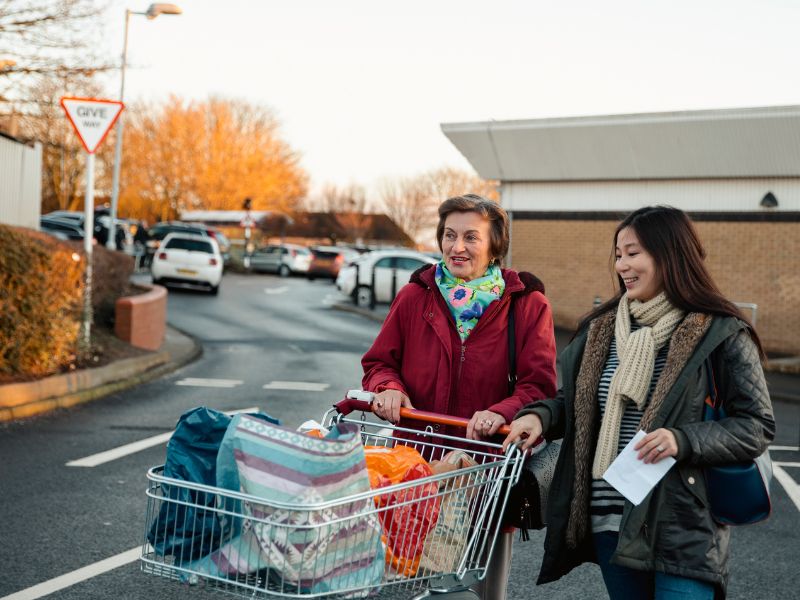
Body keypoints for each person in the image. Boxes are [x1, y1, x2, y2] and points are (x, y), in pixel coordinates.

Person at [503, 205, 775, 599]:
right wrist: (540, 417)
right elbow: (575, 403)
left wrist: (683, 440)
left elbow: (757, 426)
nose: (622, 265)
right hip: (611, 523)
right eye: (617, 254)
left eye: (633, 253)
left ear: (669, 254)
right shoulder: (601, 329)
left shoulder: (720, 332)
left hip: (681, 529)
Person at [361, 194, 558, 600]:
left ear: (494, 245)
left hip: (485, 470)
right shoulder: (417, 296)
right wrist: (388, 388)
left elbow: (537, 385)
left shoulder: (525, 305)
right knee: (415, 583)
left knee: (480, 586)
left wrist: (500, 412)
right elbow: (380, 362)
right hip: (418, 470)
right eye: (450, 235)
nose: (457, 247)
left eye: (471, 237)